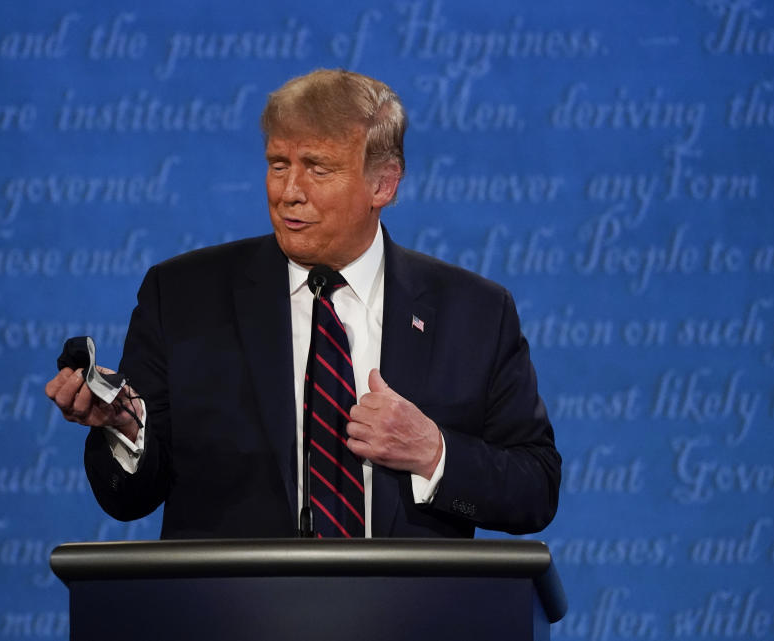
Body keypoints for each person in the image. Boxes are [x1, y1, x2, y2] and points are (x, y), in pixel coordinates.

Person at [45, 69, 560, 539]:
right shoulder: (182, 296)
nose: (289, 192)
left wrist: (433, 452)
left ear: (383, 182)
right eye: (278, 164)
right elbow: (130, 499)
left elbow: (535, 489)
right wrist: (125, 431)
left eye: (317, 168)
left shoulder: (474, 313)